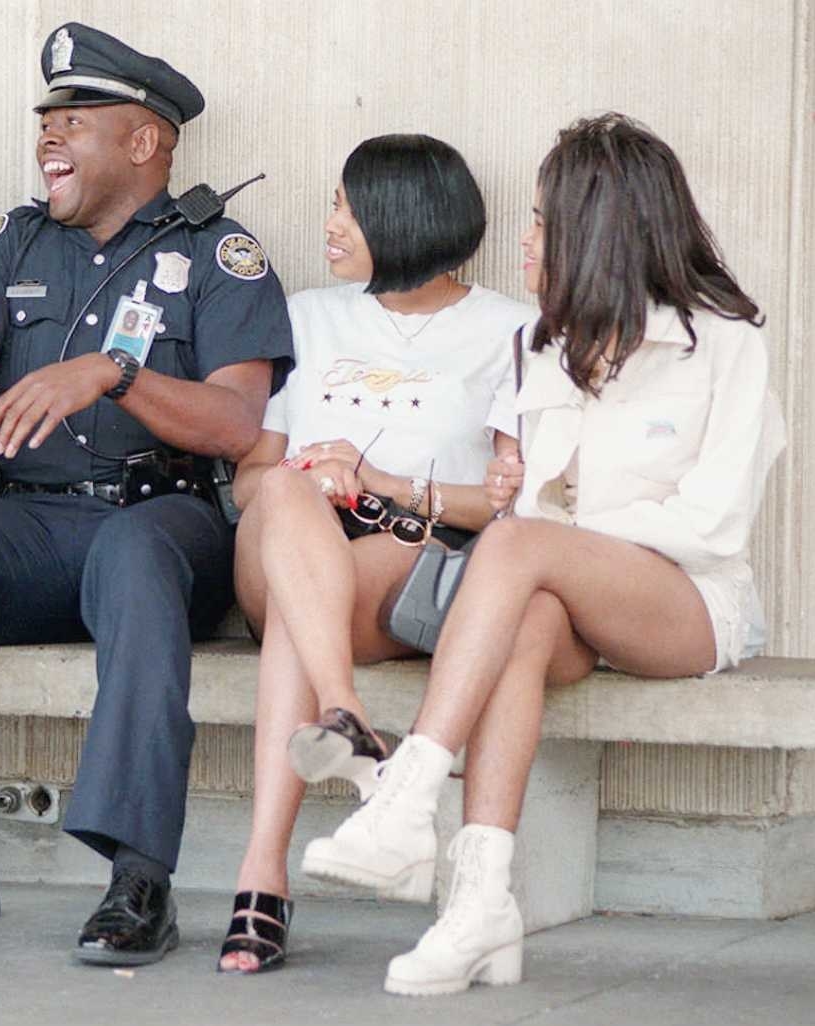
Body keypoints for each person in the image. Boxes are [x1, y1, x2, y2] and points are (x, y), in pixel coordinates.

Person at [301, 113, 786, 996]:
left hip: (684, 604)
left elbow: (713, 525)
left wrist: (560, 533)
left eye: (539, 219)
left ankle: (409, 795)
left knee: (525, 554)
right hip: (561, 590)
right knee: (522, 614)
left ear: (599, 227)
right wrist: (529, 507)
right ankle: (481, 907)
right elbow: (528, 507)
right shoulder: (541, 346)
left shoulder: (724, 343)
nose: (523, 238)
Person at [0, 23, 294, 966]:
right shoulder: (11, 246)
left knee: (134, 555)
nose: (50, 135)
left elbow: (237, 424)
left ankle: (140, 878)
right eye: (45, 117)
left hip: (163, 521)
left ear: (145, 142)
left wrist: (116, 374)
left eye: (76, 118)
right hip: (36, 518)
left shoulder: (219, 253)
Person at [216, 135, 535, 975]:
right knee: (289, 505)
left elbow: (508, 505)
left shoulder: (510, 331)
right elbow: (250, 479)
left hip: (406, 557)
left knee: (302, 603)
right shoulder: (310, 315)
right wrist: (311, 481)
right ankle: (343, 710)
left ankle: (263, 875)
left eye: (346, 209)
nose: (329, 225)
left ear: (403, 218)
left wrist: (379, 486)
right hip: (285, 535)